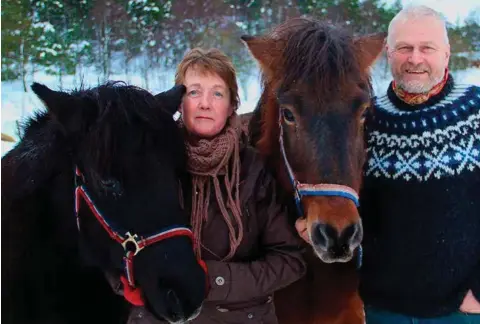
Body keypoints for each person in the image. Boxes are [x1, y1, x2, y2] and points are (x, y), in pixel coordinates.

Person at [295, 5, 480, 323]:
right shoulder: (365, 120)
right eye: (404, 48)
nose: (415, 59)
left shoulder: (476, 111)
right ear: (388, 54)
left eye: (427, 48)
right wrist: (312, 221)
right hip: (384, 308)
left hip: (459, 310)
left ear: (446, 54)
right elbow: (349, 198)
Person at [127, 48, 306, 324]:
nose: (205, 104)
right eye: (193, 92)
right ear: (178, 102)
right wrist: (125, 280)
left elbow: (289, 260)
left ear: (233, 104)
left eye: (218, 93)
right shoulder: (149, 161)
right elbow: (113, 241)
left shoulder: (255, 170)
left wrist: (214, 279)